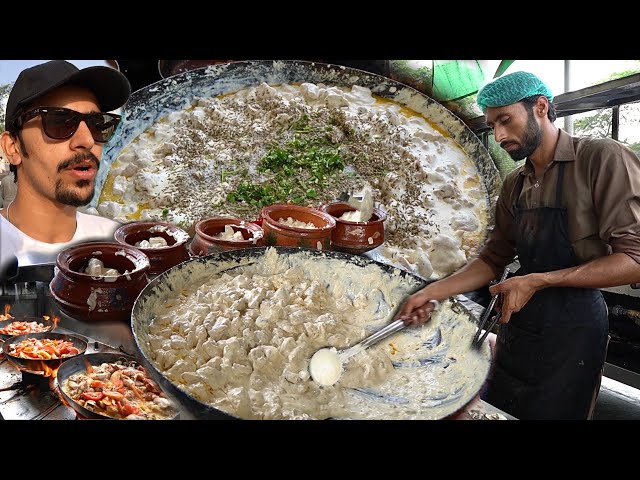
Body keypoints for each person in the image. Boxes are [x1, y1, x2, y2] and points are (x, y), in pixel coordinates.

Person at [395, 71, 640, 420]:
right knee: (503, 409)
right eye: (492, 124)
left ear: (540, 107)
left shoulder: (602, 159)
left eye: (506, 120)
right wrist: (432, 292)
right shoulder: (515, 184)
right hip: (519, 321)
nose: (498, 135)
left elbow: (634, 259)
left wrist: (539, 280)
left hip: (574, 329)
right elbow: (493, 260)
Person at [0, 60, 131, 274]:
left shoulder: (117, 243)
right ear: (12, 147)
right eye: (59, 122)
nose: (87, 140)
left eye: (99, 124)